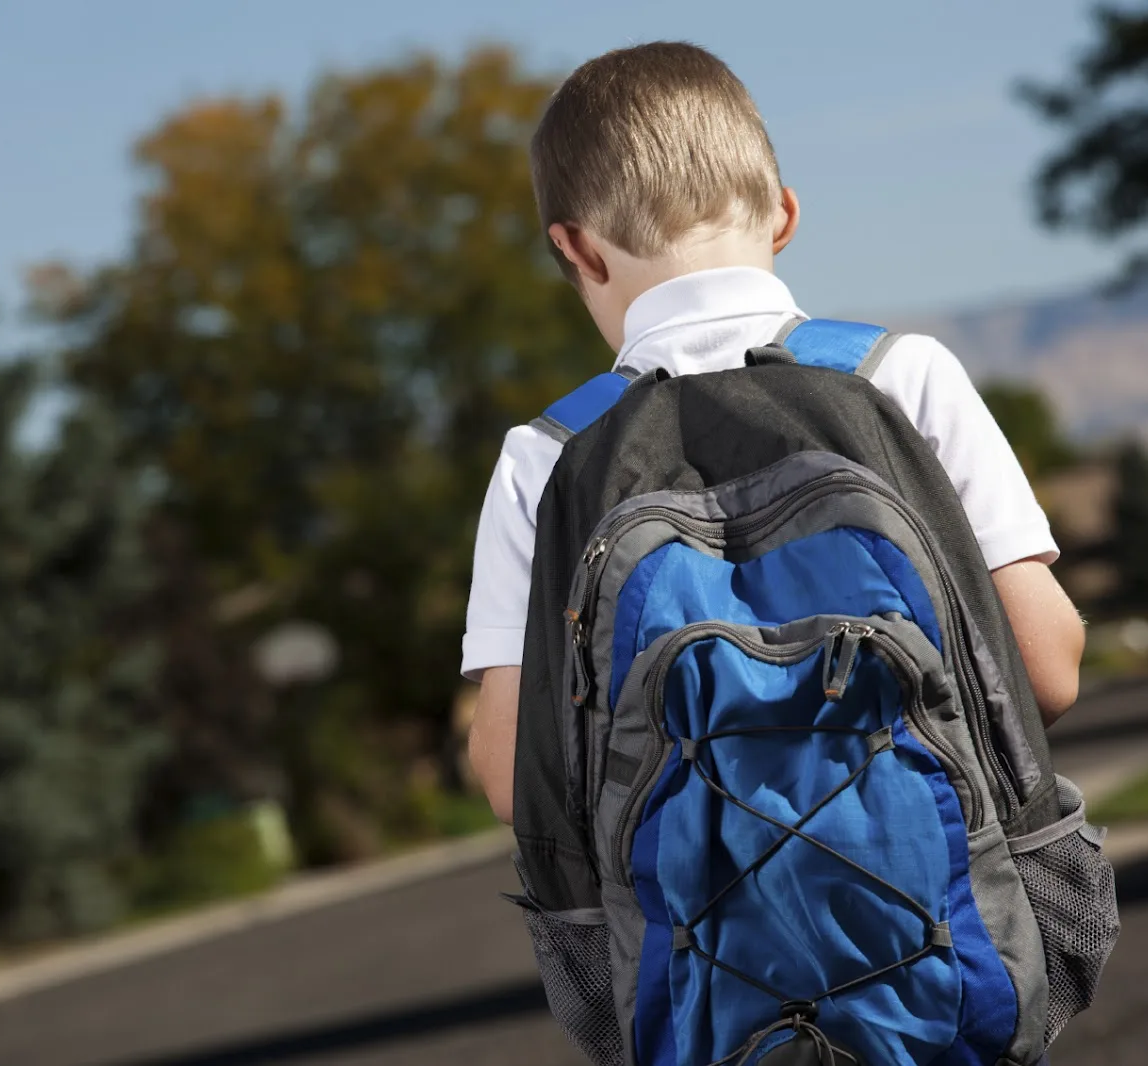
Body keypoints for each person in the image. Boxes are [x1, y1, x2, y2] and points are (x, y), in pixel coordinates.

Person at [460, 41, 1085, 827]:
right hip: (946, 905)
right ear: (784, 214)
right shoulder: (898, 377)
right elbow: (1044, 667)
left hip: (681, 937)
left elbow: (511, 771)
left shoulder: (548, 455)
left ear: (576, 247)